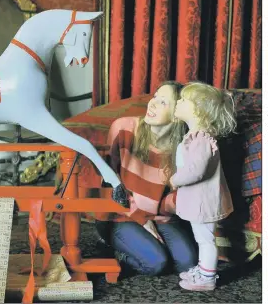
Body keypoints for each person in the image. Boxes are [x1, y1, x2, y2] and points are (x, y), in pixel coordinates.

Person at [96, 81, 198, 277]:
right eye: (154, 97)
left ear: (177, 117)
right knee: (157, 263)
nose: (151, 104)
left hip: (161, 218)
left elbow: (174, 198)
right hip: (121, 214)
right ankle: (114, 251)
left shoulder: (184, 148)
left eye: (162, 102)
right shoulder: (123, 128)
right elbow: (107, 182)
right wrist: (141, 219)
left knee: (188, 264)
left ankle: (142, 244)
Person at [160, 82, 236, 291]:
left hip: (202, 201)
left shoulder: (200, 139)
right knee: (203, 237)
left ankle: (207, 278)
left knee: (205, 240)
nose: (179, 102)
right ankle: (204, 269)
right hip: (199, 199)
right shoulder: (196, 135)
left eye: (184, 100)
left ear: (197, 109)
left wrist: (175, 180)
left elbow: (196, 170)